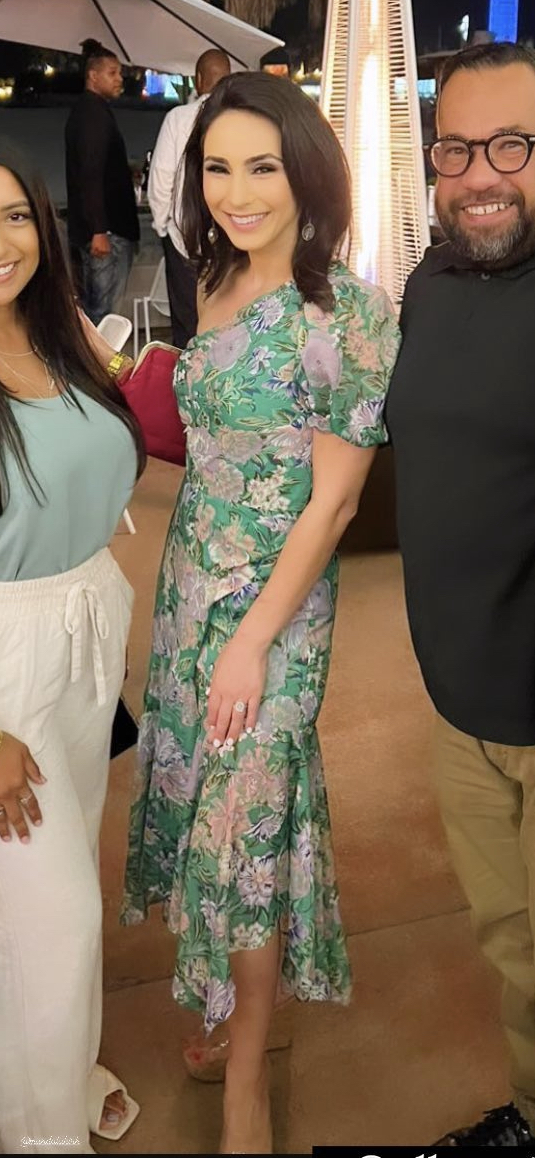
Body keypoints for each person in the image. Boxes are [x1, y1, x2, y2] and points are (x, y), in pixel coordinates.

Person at [121, 70, 399, 1155]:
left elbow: (333, 504)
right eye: (217, 169)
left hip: (275, 613)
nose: (236, 194)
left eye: (263, 167)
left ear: (308, 173)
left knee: (247, 825)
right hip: (190, 587)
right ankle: (229, 1011)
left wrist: (249, 642)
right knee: (205, 806)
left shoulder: (349, 314)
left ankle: (245, 1080)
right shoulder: (218, 275)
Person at [385, 41, 535, 1148]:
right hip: (458, 703)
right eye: (456, 149)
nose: (480, 174)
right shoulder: (426, 289)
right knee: (512, 944)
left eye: (512, 145)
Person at [0, 139, 145, 1153]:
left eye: (13, 215)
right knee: (56, 920)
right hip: (7, 661)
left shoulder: (57, 336)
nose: (1, 242)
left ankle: (43, 1085)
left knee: (47, 902)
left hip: (87, 625)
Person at [148, 49, 231, 347]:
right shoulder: (239, 119)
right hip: (231, 238)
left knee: (187, 324)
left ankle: (187, 372)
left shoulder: (178, 118)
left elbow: (161, 179)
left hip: (184, 238)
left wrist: (162, 226)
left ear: (198, 79)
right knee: (228, 318)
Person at [65, 38, 140, 325]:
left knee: (98, 307)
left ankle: (93, 353)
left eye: (119, 73)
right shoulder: (92, 116)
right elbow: (90, 173)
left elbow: (94, 167)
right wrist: (99, 230)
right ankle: (98, 355)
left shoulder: (90, 111)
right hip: (107, 230)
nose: (120, 79)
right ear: (93, 76)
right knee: (104, 312)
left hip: (98, 227)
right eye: (112, 73)